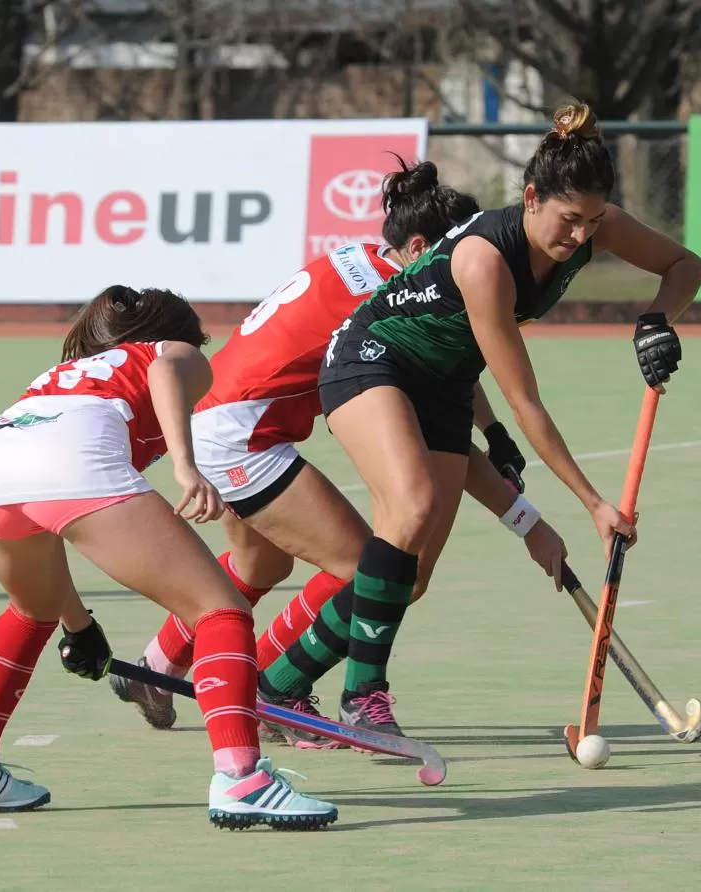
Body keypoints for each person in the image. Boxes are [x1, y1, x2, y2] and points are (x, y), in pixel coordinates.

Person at [258, 101, 701, 737]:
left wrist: (657, 318)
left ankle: (275, 685)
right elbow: (526, 402)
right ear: (530, 197)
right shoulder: (483, 260)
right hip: (372, 357)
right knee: (408, 510)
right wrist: (592, 504)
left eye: (594, 221)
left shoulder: (596, 226)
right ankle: (364, 698)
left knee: (406, 581)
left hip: (444, 383)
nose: (580, 236)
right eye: (568, 220)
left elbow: (687, 267)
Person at [109, 158, 568, 746]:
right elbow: (439, 384)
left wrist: (493, 429)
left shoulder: (366, 261)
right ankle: (273, 692)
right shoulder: (396, 293)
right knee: (368, 566)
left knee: (261, 565)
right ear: (425, 248)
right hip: (243, 433)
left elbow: (445, 363)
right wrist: (515, 502)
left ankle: (157, 666)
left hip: (218, 414)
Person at [0, 286, 337, 830]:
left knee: (31, 610)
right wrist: (186, 466)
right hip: (68, 456)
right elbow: (171, 370)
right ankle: (244, 780)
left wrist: (80, 627)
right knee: (219, 611)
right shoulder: (174, 351)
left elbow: (51, 530)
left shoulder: (75, 372)